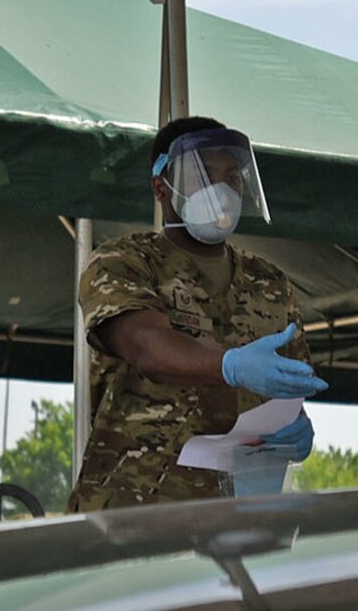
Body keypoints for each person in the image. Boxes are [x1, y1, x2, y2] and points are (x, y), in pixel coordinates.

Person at [70, 115, 326, 511]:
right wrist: (230, 366)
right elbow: (146, 347)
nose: (221, 189)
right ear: (161, 187)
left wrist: (294, 428)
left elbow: (287, 389)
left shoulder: (270, 284)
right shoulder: (125, 263)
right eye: (203, 175)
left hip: (238, 520)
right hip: (132, 518)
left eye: (232, 176)